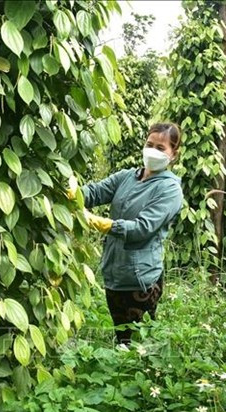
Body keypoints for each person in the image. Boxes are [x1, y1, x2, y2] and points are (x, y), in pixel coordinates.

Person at [67, 122, 184, 343]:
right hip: (115, 272)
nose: (152, 151)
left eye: (160, 148)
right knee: (121, 337)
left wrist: (103, 224)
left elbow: (143, 228)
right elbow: (95, 192)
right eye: (149, 144)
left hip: (141, 280)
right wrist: (73, 194)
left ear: (173, 154)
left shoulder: (169, 189)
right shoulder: (128, 177)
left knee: (136, 345)